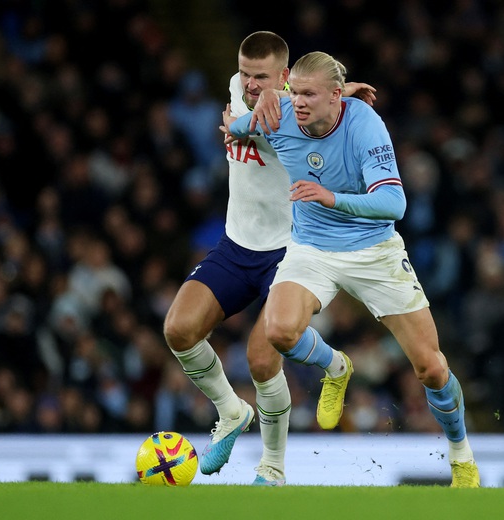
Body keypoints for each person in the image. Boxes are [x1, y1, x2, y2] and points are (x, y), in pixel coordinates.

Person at [227, 51, 480, 487]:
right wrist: (234, 119)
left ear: (336, 97)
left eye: (309, 94)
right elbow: (234, 125)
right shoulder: (278, 112)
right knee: (279, 331)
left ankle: (461, 456)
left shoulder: (364, 124)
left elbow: (394, 203)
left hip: (373, 250)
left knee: (431, 369)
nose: (298, 102)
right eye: (294, 92)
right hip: (311, 249)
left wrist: (330, 197)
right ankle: (336, 367)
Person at [163, 32, 376, 486]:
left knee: (263, 359)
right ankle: (230, 411)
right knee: (178, 329)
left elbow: (319, 117)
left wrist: (343, 100)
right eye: (245, 72)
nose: (250, 83)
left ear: (283, 77)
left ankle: (273, 467)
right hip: (237, 244)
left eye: (262, 77)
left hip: (291, 250)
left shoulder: (298, 114)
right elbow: (244, 109)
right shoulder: (237, 91)